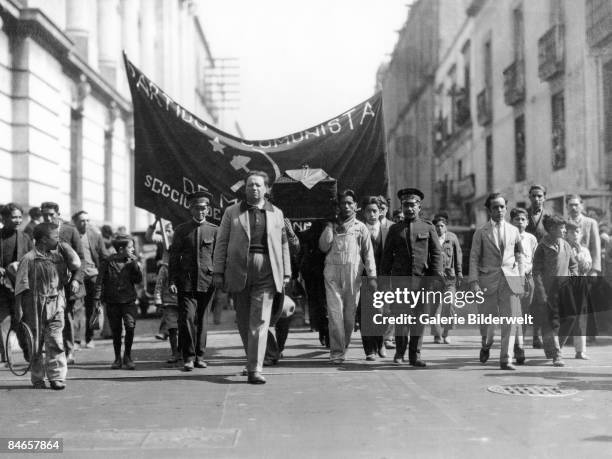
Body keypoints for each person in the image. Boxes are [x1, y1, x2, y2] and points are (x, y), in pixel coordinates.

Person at [213, 171, 291, 384]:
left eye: (257, 185)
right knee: (244, 320)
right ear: (244, 189)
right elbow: (221, 243)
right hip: (238, 271)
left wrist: (286, 272)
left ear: (266, 189)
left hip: (267, 269)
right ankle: (252, 360)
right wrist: (218, 272)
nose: (253, 189)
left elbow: (283, 244)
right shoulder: (232, 212)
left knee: (260, 319)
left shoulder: (277, 213)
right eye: (249, 185)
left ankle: (255, 368)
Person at [13, 222, 81, 389]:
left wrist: (65, 246)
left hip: (56, 304)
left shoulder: (58, 257)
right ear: (43, 239)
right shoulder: (28, 259)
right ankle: (37, 377)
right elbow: (20, 287)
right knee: (35, 344)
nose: (59, 240)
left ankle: (57, 377)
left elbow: (76, 264)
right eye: (55, 237)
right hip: (33, 307)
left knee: (56, 341)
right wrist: (19, 309)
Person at [381, 188, 443, 367]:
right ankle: (399, 353)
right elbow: (387, 257)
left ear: (419, 206)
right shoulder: (395, 229)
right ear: (401, 207)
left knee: (419, 320)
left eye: (412, 205)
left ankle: (415, 355)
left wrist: (435, 278)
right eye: (405, 205)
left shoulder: (428, 227)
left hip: (422, 282)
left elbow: (436, 255)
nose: (408, 209)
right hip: (400, 282)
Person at [319, 190, 377, 364]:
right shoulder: (331, 225)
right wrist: (329, 227)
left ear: (356, 206)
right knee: (335, 314)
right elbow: (323, 247)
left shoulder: (361, 227)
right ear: (338, 206)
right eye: (343, 203)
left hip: (353, 275)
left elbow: (368, 254)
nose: (346, 206)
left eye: (349, 203)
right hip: (332, 273)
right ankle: (337, 352)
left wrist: (372, 276)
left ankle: (344, 347)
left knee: (349, 316)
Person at [469, 193, 525, 370]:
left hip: (510, 281)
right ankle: (486, 345)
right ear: (489, 210)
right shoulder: (480, 232)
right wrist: (474, 282)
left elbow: (519, 255)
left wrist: (520, 279)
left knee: (510, 321)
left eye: (502, 207)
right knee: (487, 324)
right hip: (487, 282)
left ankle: (505, 358)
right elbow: (473, 258)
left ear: (506, 209)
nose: (499, 210)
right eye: (495, 207)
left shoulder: (514, 231)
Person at [169, 191, 217, 372]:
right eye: (197, 208)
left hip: (207, 281)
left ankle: (200, 355)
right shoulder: (181, 230)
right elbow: (173, 258)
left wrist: (219, 278)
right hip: (186, 282)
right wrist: (172, 280)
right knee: (188, 317)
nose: (201, 211)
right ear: (191, 209)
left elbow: (219, 257)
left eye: (204, 208)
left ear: (208, 209)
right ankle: (188, 357)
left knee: (202, 319)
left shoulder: (214, 230)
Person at [40, 202, 84, 364]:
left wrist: (77, 280)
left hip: (69, 283)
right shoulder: (39, 231)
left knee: (67, 316)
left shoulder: (70, 231)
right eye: (45, 214)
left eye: (51, 214)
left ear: (58, 213)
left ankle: (69, 350)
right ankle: (52, 350)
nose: (48, 217)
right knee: (48, 317)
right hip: (48, 283)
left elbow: (81, 258)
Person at [533, 215, 578, 367]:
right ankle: (557, 354)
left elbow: (573, 265)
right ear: (552, 229)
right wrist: (541, 293)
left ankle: (554, 346)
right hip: (548, 290)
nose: (565, 230)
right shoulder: (542, 246)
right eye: (562, 228)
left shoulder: (566, 245)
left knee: (571, 317)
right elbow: (536, 272)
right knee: (553, 322)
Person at [94, 235, 142, 370]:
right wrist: (97, 299)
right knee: (116, 331)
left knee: (130, 327)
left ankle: (128, 357)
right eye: (130, 247)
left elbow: (137, 280)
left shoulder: (132, 262)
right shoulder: (108, 262)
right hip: (112, 301)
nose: (133, 249)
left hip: (129, 301)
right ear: (121, 249)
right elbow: (100, 281)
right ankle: (117, 359)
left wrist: (135, 266)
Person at [0, 203, 33, 362]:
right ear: (3, 218)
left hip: (19, 286)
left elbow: (34, 259)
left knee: (21, 319)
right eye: (14, 217)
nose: (18, 220)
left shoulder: (25, 238)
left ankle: (28, 352)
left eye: (20, 217)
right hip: (1, 286)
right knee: (3, 320)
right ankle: (6, 357)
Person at [566, 194, 601, 340]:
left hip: (585, 266)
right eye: (570, 205)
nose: (573, 208)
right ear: (567, 207)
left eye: (576, 204)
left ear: (582, 206)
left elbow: (595, 247)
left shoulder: (590, 222)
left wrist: (594, 270)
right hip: (569, 268)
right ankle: (569, 336)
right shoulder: (564, 223)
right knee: (569, 301)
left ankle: (587, 335)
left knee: (585, 302)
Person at [358, 196, 388, 360]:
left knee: (382, 312)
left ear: (380, 212)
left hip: (382, 279)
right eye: (368, 211)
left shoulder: (387, 231)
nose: (372, 214)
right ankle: (369, 349)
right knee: (365, 314)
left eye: (375, 211)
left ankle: (381, 342)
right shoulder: (359, 230)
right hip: (362, 278)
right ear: (363, 213)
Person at [72, 210, 107, 349]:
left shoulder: (95, 236)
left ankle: (90, 337)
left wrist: (103, 274)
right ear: (75, 222)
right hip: (77, 277)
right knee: (76, 308)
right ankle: (75, 340)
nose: (85, 223)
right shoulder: (70, 236)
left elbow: (103, 256)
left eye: (87, 220)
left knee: (92, 308)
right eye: (81, 220)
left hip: (93, 275)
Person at [509, 207, 537, 364]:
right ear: (511, 221)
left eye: (523, 219)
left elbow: (534, 259)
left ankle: (521, 342)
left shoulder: (531, 239)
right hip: (512, 278)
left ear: (527, 222)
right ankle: (517, 347)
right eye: (517, 219)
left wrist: (529, 271)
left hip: (528, 278)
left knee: (525, 313)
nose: (520, 222)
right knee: (514, 314)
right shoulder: (508, 238)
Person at [430, 213, 462, 345]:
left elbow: (458, 256)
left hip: (450, 277)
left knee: (449, 304)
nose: (439, 228)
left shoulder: (452, 238)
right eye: (436, 226)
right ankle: (437, 334)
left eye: (442, 226)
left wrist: (459, 273)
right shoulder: (430, 238)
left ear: (446, 227)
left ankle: (446, 332)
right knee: (434, 307)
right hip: (434, 278)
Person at [525, 185, 549, 349]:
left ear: (544, 197)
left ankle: (536, 335)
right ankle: (520, 337)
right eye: (533, 196)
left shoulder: (548, 217)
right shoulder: (522, 216)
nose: (536, 199)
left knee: (540, 301)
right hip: (525, 265)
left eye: (540, 196)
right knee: (525, 301)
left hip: (543, 266)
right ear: (530, 197)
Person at [299, 221, 329, 347]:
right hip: (324, 272)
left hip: (311, 274)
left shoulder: (305, 235)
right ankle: (326, 332)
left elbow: (300, 256)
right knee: (325, 304)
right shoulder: (327, 232)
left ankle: (320, 329)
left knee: (315, 303)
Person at [564, 222, 591, 359]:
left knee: (581, 318)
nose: (575, 235)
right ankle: (557, 347)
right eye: (571, 232)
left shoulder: (584, 250)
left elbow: (586, 267)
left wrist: (580, 253)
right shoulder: (563, 247)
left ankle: (580, 350)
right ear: (566, 233)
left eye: (577, 232)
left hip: (580, 285)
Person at [154, 262, 180, 364]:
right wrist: (158, 300)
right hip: (169, 303)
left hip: (184, 301)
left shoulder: (186, 262)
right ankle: (175, 353)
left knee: (184, 329)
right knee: (172, 329)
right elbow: (159, 284)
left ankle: (182, 352)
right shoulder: (165, 268)